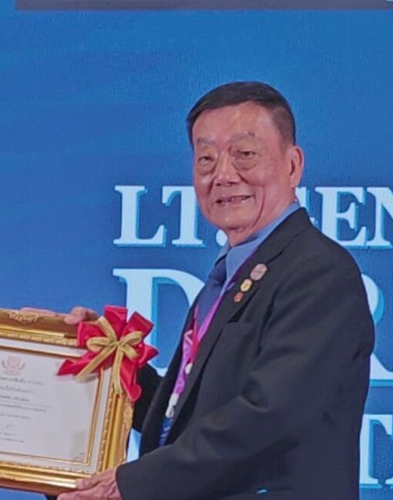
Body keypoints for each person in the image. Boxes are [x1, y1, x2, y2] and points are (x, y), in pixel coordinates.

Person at [59, 81, 374, 500]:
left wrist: (132, 482)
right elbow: (186, 418)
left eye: (245, 154)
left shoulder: (318, 271)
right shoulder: (230, 274)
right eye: (206, 159)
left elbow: (270, 415)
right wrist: (106, 360)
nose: (223, 175)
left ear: (293, 165)